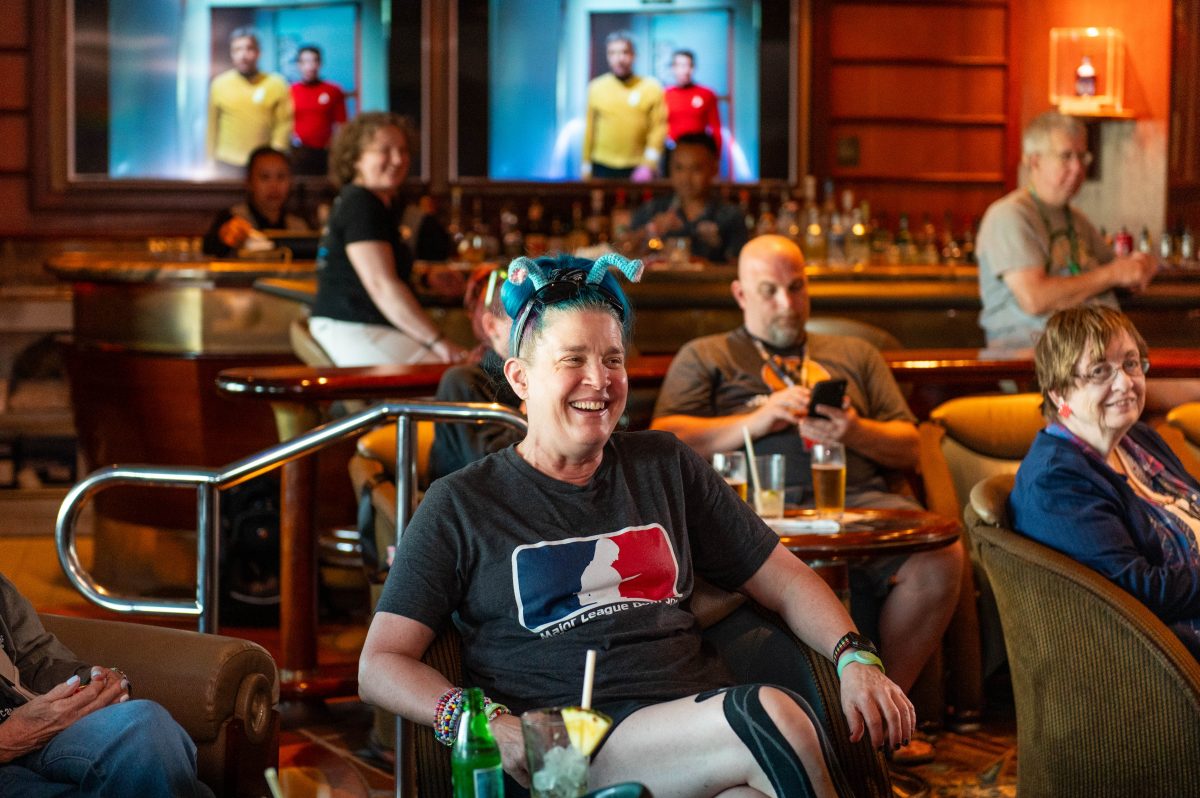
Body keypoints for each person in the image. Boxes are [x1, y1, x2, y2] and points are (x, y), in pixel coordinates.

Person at [359, 252, 915, 797]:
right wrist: (481, 721)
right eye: (573, 360)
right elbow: (379, 664)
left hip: (693, 728)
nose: (599, 380)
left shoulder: (663, 465)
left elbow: (787, 579)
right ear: (521, 378)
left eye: (613, 359)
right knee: (772, 717)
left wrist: (855, 657)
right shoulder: (462, 502)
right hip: (569, 754)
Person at [650, 235, 963, 702]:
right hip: (750, 511)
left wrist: (854, 430)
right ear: (740, 294)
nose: (787, 303)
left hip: (856, 504)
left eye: (796, 287)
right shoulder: (706, 355)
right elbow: (666, 438)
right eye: (769, 291)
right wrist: (758, 419)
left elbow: (910, 448)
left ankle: (880, 709)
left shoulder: (856, 354)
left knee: (942, 557)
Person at [1010, 305, 1200, 660]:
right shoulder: (1056, 481)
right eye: (1100, 371)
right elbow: (1140, 590)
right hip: (1161, 655)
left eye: (1131, 363)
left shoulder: (1138, 438)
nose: (1125, 382)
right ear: (1059, 393)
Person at [0, 573, 212, 797]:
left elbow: (35, 656)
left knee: (145, 726)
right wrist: (10, 736)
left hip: (37, 729)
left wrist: (95, 682)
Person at [976, 110, 1157, 350]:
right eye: (1066, 156)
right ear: (1035, 161)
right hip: (1036, 355)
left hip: (1095, 352)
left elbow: (1119, 270)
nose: (1078, 168)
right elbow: (1035, 299)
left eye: (1082, 157)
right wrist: (1114, 274)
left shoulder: (1076, 219)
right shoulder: (1009, 215)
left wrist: (1141, 266)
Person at [309, 112, 464, 366]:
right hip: (353, 326)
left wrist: (425, 277)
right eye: (385, 150)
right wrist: (438, 342)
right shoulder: (361, 203)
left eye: (403, 151)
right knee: (451, 375)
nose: (398, 159)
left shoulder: (375, 203)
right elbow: (381, 285)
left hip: (356, 325)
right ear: (356, 158)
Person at [428, 265, 524, 482]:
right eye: (519, 319)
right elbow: (488, 472)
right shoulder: (462, 381)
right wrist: (533, 407)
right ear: (491, 325)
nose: (532, 330)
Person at [627, 132, 746, 263]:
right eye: (679, 168)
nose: (686, 178)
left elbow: (738, 266)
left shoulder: (730, 216)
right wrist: (650, 230)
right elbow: (623, 254)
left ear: (714, 169)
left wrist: (704, 265)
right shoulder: (652, 210)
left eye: (696, 169)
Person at [206, 28, 293, 178]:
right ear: (231, 54)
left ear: (258, 52)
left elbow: (284, 125)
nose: (243, 55)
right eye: (237, 50)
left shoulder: (277, 84)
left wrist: (276, 156)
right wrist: (209, 160)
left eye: (249, 49)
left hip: (264, 162)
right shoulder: (219, 84)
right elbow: (212, 126)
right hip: (226, 162)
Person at [581, 31, 666, 182]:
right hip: (602, 165)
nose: (619, 58)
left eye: (625, 52)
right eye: (612, 53)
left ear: (634, 55)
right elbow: (590, 129)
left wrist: (649, 163)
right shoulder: (596, 87)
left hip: (638, 167)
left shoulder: (651, 87)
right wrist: (586, 165)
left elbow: (658, 129)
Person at [201, 146, 311, 257]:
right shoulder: (233, 218)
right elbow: (209, 249)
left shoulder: (299, 227)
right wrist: (224, 236)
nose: (274, 186)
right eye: (265, 177)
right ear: (249, 182)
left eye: (281, 177)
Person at [289, 45, 347, 177]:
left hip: (325, 152)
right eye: (305, 62)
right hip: (298, 152)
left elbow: (341, 124)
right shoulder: (290, 91)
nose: (310, 66)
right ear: (299, 65)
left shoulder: (333, 90)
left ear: (320, 64)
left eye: (314, 61)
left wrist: (335, 147)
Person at [664, 49, 722, 170]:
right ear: (673, 68)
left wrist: (715, 156)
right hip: (672, 153)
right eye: (680, 65)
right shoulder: (664, 95)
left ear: (693, 68)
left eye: (688, 65)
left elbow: (715, 128)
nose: (684, 70)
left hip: (699, 153)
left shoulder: (707, 94)